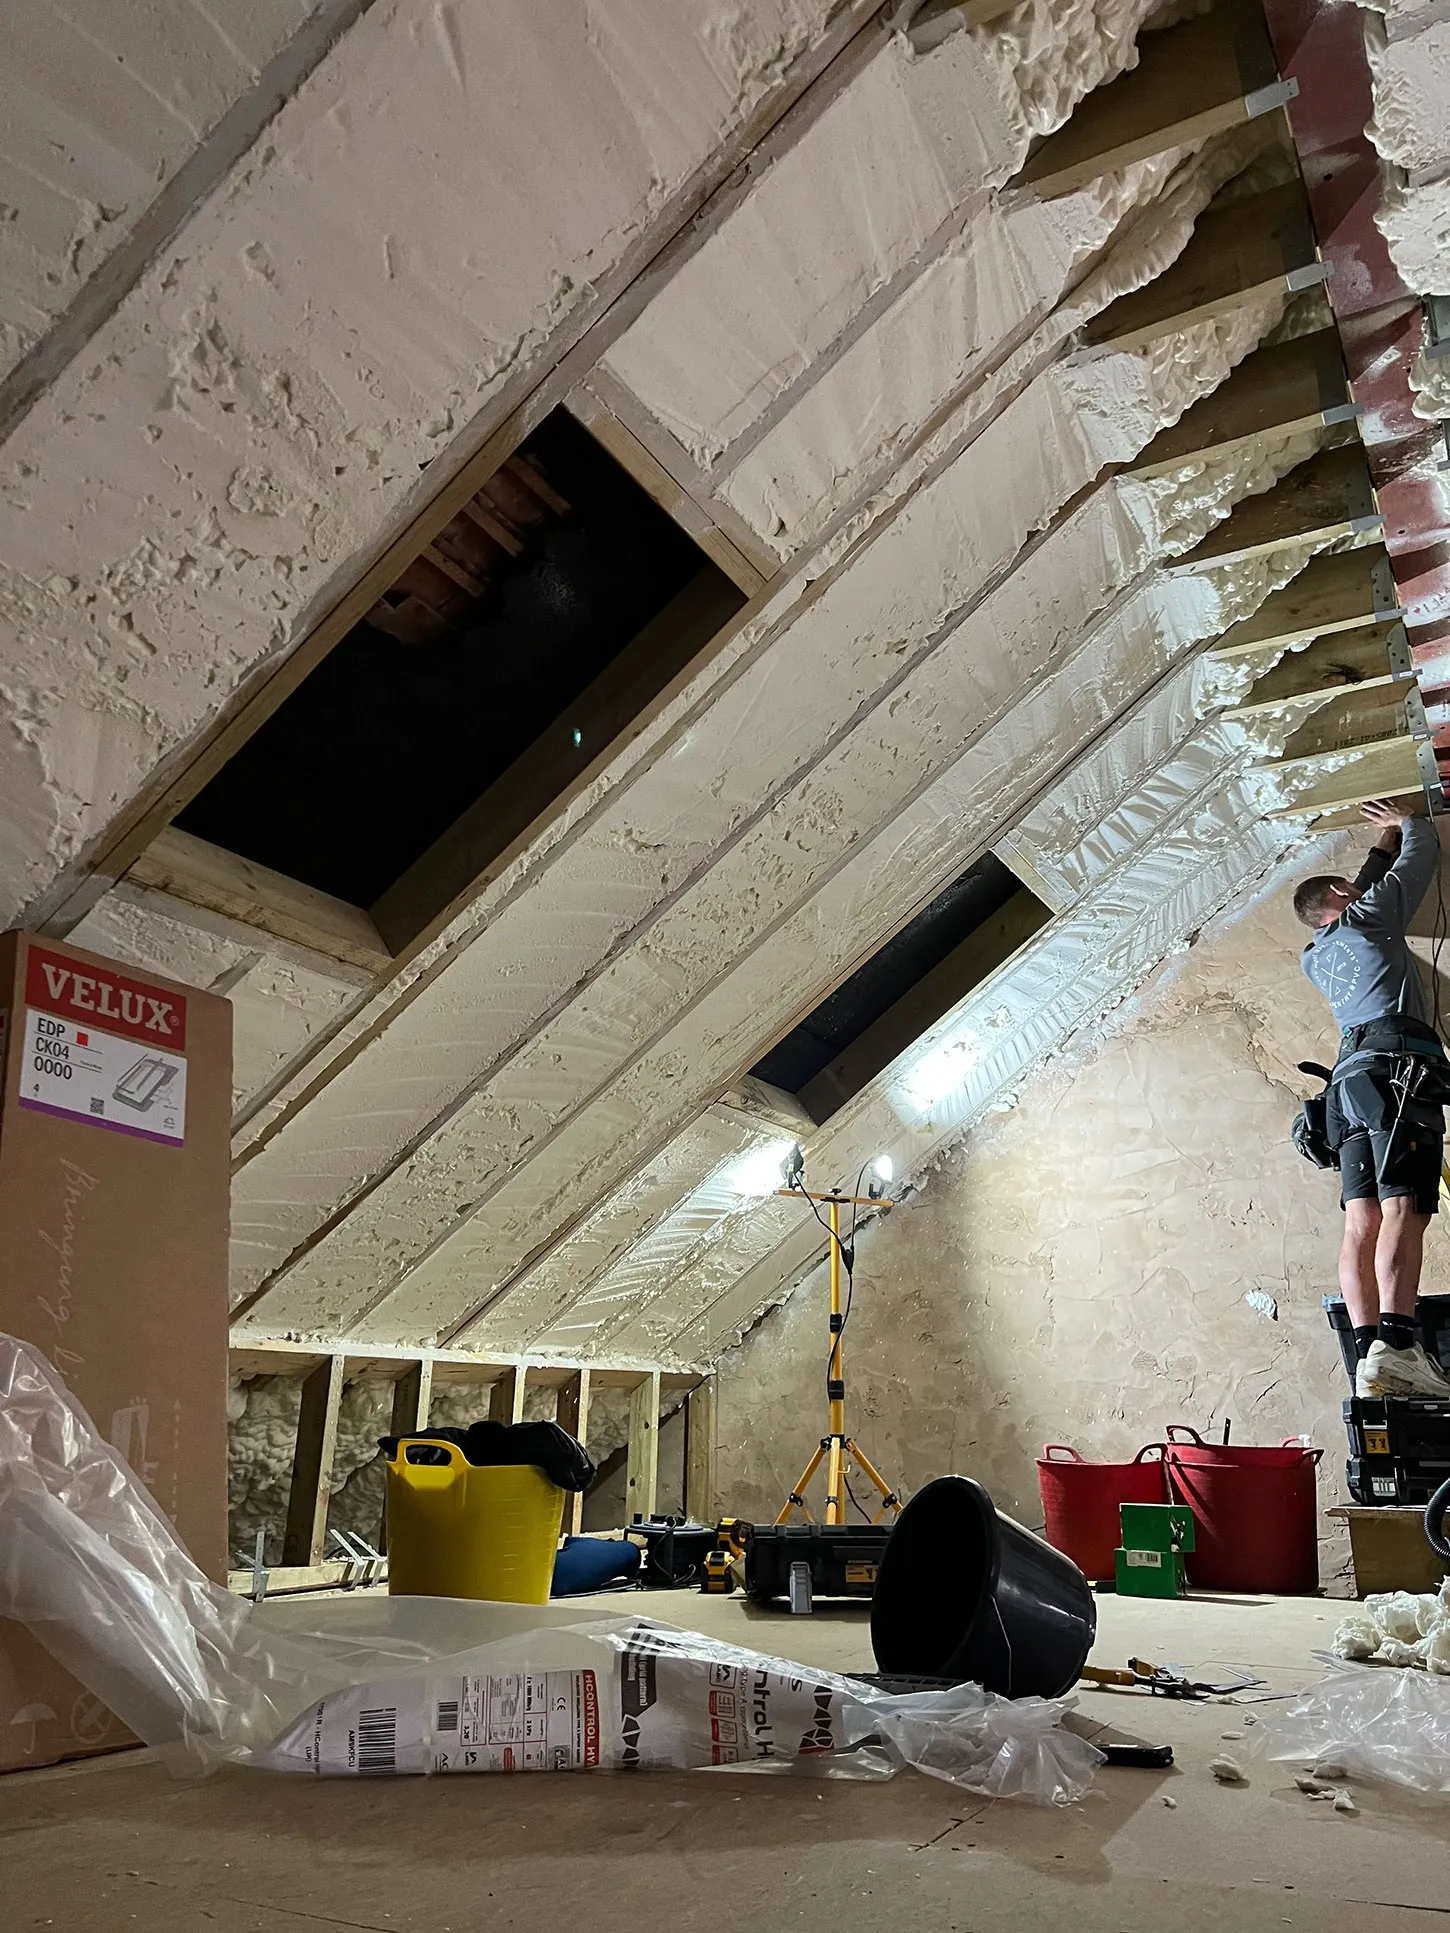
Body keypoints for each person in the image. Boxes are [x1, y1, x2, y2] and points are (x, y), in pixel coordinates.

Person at [1295, 799, 1449, 1396]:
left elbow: (1361, 893)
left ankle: (1368, 1357)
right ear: (1343, 895)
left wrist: (1376, 848)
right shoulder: (1367, 921)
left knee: (1361, 1218)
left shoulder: (1316, 956)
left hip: (1348, 1085)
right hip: (1396, 1074)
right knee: (1404, 1207)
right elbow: (1424, 851)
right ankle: (1400, 1342)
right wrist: (1407, 822)